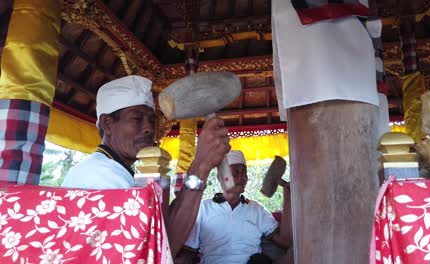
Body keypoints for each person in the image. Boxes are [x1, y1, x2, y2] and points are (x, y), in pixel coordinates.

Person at [62, 75, 231, 256]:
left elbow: (160, 227)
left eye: (152, 119)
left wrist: (201, 168)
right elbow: (158, 250)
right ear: (107, 124)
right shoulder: (99, 175)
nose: (148, 127)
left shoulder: (118, 171)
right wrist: (200, 166)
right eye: (137, 118)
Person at [177, 150, 292, 264]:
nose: (242, 177)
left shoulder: (256, 209)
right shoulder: (202, 209)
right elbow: (187, 253)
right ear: (220, 177)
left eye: (244, 173)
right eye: (235, 173)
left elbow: (285, 241)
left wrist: (288, 198)